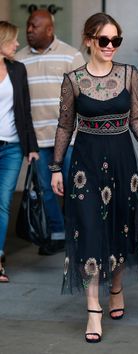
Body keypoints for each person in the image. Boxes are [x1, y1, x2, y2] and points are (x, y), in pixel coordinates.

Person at [50, 12, 138, 343]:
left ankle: (116, 288)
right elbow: (64, 125)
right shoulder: (73, 80)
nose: (110, 46)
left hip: (122, 166)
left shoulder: (129, 75)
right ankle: (93, 310)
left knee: (121, 227)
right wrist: (56, 167)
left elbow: (137, 118)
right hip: (85, 170)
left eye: (116, 40)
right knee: (89, 232)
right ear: (89, 40)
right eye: (104, 40)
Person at [16, 10, 85, 255]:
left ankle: (76, 233)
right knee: (46, 189)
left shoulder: (71, 56)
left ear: (49, 30)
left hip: (68, 139)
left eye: (34, 26)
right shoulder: (18, 58)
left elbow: (83, 96)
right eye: (27, 26)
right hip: (38, 139)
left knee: (73, 187)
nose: (29, 30)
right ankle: (57, 234)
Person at [0, 21, 39, 283]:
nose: (17, 44)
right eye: (13, 40)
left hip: (12, 147)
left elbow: (25, 111)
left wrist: (31, 148)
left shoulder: (18, 69)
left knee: (3, 204)